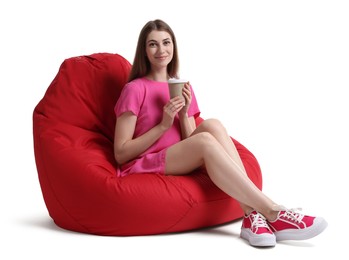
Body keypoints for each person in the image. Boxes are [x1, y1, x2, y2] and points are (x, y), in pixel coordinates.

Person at [113, 19, 327, 247]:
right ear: (144, 51)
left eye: (166, 42)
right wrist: (163, 125)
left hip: (175, 157)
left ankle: (251, 216)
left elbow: (188, 141)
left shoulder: (182, 85)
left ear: (174, 46)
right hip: (145, 163)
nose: (161, 50)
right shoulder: (134, 89)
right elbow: (121, 153)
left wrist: (185, 112)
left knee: (213, 125)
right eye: (153, 44)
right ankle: (274, 212)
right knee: (205, 140)